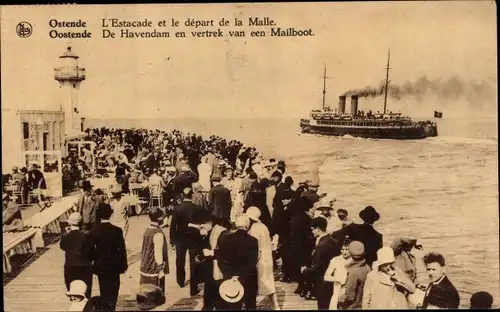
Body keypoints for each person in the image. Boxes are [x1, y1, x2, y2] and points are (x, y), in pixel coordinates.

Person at [88, 203, 128, 310]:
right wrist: (124, 265)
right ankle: (112, 308)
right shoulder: (117, 230)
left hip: (101, 266)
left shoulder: (94, 231)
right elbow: (122, 250)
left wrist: (95, 261)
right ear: (110, 215)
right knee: (114, 291)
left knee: (104, 290)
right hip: (114, 266)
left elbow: (90, 251)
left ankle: (105, 308)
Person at [216, 215, 259, 310]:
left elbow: (221, 260)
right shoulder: (253, 241)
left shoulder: (226, 239)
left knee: (233, 303)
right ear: (247, 225)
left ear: (235, 224)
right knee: (250, 304)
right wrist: (241, 275)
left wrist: (230, 274)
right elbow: (252, 262)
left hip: (230, 277)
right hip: (248, 277)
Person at [170, 187, 204, 296]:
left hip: (180, 238)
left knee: (180, 259)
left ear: (183, 196)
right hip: (194, 237)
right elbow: (201, 224)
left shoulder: (177, 209)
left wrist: (172, 240)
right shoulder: (197, 208)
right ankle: (193, 287)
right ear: (191, 196)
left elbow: (173, 226)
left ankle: (180, 281)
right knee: (193, 261)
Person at [302, 217, 340, 310]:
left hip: (322, 282)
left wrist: (305, 270)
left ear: (318, 229)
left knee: (323, 306)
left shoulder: (321, 245)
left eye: (313, 229)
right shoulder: (334, 241)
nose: (312, 232)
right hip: (333, 279)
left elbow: (318, 268)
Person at [247, 207, 280, 310]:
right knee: (268, 282)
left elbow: (254, 246)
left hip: (260, 259)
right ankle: (275, 305)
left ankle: (271, 305)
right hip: (267, 257)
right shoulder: (263, 226)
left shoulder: (255, 229)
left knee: (260, 281)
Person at [60, 212, 94, 299]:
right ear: (81, 223)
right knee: (86, 294)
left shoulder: (66, 236)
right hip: (85, 268)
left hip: (70, 268)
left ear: (70, 223)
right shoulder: (86, 236)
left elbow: (62, 247)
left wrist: (66, 233)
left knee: (73, 294)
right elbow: (92, 252)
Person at [139, 209, 169, 305]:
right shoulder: (158, 233)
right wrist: (161, 270)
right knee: (155, 299)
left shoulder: (147, 230)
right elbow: (158, 254)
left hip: (145, 267)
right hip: (154, 269)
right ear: (159, 218)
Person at [338, 241, 370, 310]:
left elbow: (349, 296)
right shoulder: (367, 267)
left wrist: (340, 299)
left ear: (350, 252)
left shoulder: (353, 272)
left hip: (353, 306)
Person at [323, 237, 351, 309]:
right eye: (342, 249)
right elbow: (326, 276)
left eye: (347, 249)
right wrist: (337, 279)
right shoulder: (336, 260)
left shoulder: (354, 260)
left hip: (350, 292)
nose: (344, 252)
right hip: (337, 290)